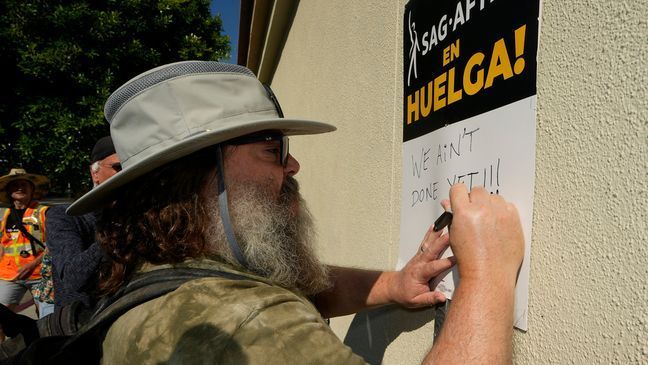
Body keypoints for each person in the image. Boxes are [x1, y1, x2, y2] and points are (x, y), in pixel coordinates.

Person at [67, 61, 524, 364]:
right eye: (272, 149)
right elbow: (261, 301)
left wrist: (392, 284)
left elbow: (291, 280)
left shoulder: (162, 268)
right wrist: (487, 276)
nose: (292, 165)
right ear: (204, 173)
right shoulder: (243, 322)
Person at [46, 136, 119, 309]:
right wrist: (118, 230)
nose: (126, 173)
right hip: (80, 326)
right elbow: (73, 278)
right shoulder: (64, 216)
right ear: (95, 173)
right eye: (118, 167)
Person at [0, 169, 54, 320]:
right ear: (9, 191)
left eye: (24, 184)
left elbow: (54, 245)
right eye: (15, 185)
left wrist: (32, 265)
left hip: (40, 275)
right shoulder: (5, 215)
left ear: (32, 190)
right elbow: (4, 245)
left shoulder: (44, 212)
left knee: (46, 319)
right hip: (10, 275)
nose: (19, 188)